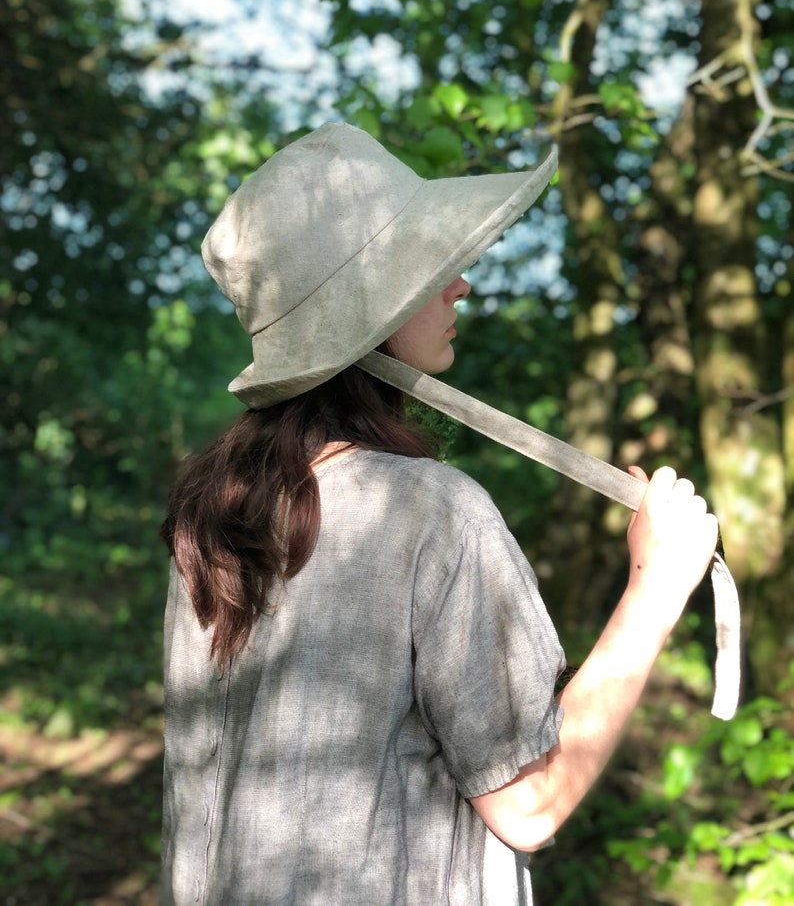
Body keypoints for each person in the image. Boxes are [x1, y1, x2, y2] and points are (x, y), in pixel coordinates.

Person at [159, 123, 718, 906]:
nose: (460, 283)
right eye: (426, 266)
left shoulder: (216, 511)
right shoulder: (434, 513)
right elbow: (530, 803)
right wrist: (658, 587)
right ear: (369, 310)